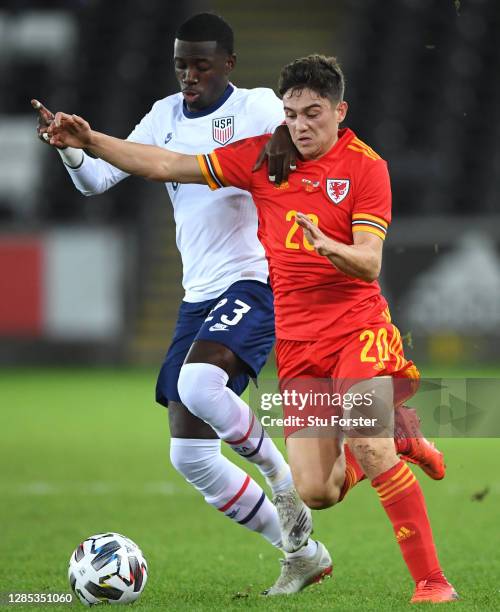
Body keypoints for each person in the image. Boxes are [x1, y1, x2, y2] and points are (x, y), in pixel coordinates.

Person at [44, 54, 457, 603]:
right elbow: (166, 165)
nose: (301, 125)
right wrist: (89, 140)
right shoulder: (263, 161)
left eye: (314, 113)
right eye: (291, 114)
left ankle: (432, 582)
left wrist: (326, 245)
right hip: (298, 343)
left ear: (340, 111)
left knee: (366, 439)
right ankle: (400, 435)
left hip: (358, 329)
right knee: (317, 490)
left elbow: (370, 263)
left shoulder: (365, 167)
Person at [33, 14, 333, 595]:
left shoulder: (258, 108)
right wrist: (73, 149)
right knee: (189, 455)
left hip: (254, 278)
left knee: (199, 386)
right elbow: (95, 181)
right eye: (180, 64)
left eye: (200, 64)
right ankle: (302, 553)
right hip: (197, 294)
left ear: (229, 64)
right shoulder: (165, 115)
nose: (188, 75)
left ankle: (282, 476)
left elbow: (307, 145)